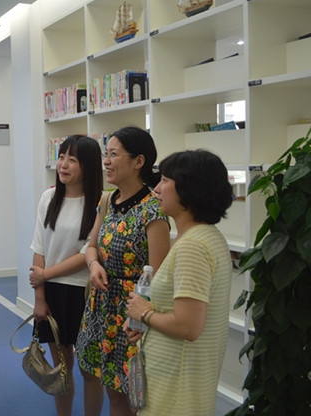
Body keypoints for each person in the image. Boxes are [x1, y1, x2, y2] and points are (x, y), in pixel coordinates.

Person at [125, 150, 233, 415]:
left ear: (189, 189)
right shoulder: (205, 236)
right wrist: (147, 321)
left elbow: (188, 326)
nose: (157, 188)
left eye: (165, 180)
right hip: (178, 379)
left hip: (175, 387)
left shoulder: (192, 246)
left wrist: (144, 313)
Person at [76, 126, 171, 416]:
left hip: (132, 316)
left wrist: (142, 320)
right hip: (102, 308)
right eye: (106, 154)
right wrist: (94, 265)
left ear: (139, 161)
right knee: (113, 392)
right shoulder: (108, 200)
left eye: (114, 155)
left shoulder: (153, 210)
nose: (106, 161)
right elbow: (91, 246)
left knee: (134, 398)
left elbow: (158, 277)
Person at [28, 135, 102, 416]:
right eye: (61, 157)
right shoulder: (49, 198)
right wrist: (40, 297)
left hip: (85, 292)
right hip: (52, 291)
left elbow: (86, 254)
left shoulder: (100, 203)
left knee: (89, 370)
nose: (63, 164)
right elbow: (39, 247)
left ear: (88, 165)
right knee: (62, 367)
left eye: (73, 159)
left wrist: (44, 275)